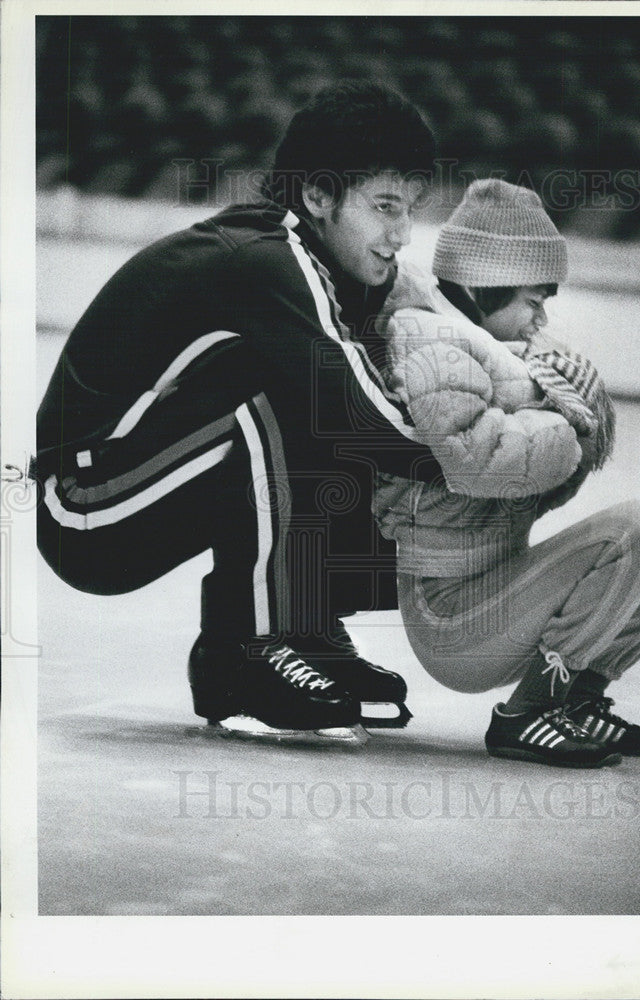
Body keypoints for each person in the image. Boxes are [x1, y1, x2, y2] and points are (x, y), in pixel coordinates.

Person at [34, 82, 447, 743]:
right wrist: (483, 463)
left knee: (325, 413)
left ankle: (279, 636)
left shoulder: (332, 267)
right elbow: (362, 417)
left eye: (410, 210)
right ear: (317, 196)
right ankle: (256, 648)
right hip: (86, 505)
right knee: (286, 391)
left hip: (143, 481)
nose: (401, 234)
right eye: (384, 207)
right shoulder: (264, 256)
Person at [372, 179, 640, 767]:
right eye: (533, 301)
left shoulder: (499, 350)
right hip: (452, 618)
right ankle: (527, 715)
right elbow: (474, 461)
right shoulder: (425, 336)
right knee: (632, 526)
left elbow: (534, 496)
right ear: (485, 287)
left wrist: (576, 434)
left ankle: (577, 700)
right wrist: (562, 413)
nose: (541, 319)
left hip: (501, 584)